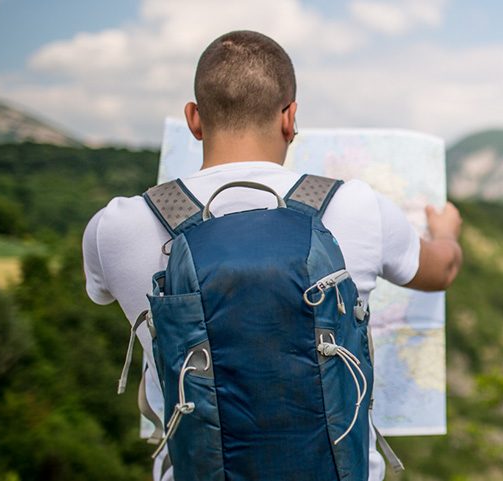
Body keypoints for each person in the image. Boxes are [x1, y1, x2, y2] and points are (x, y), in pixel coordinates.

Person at [81, 30, 463, 481]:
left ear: (194, 119)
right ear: (290, 118)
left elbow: (103, 296)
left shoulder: (116, 227)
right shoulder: (356, 207)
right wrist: (447, 232)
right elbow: (442, 269)